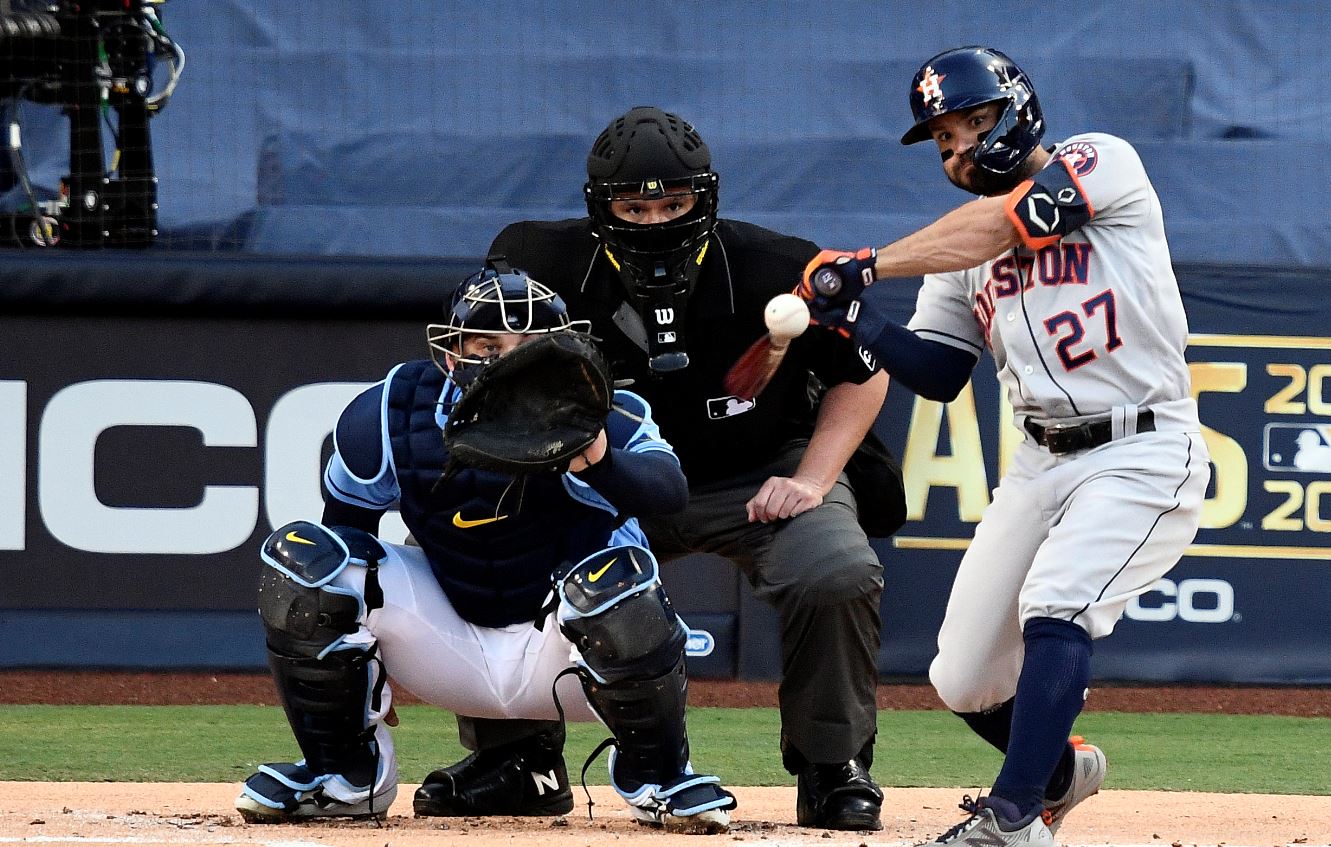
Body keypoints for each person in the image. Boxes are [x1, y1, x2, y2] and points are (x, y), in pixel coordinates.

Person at [426, 106, 903, 832]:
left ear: (704, 199)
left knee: (834, 569)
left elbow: (863, 372)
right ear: (600, 205)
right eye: (635, 205)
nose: (654, 221)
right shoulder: (535, 264)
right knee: (490, 524)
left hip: (755, 470)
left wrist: (812, 476)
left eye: (673, 204)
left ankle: (831, 765)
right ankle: (519, 758)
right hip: (606, 476)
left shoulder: (778, 266)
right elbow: (485, 371)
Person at [801, 46, 1210, 846]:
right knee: (961, 676)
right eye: (942, 141)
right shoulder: (955, 260)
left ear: (1015, 107)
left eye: (969, 124)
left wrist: (866, 265)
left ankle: (1014, 816)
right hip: (1039, 460)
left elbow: (1015, 219)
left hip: (1141, 442)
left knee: (1058, 603)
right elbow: (939, 372)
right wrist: (855, 318)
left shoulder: (1102, 160)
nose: (956, 151)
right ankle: (1058, 771)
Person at [234, 261, 737, 833]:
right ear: (451, 355)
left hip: (576, 665)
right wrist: (354, 670)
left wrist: (596, 457)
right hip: (451, 647)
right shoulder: (390, 411)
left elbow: (668, 496)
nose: (512, 359)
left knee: (614, 577)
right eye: (489, 345)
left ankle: (661, 776)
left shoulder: (603, 416)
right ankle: (345, 775)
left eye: (530, 344)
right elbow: (348, 534)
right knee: (306, 558)